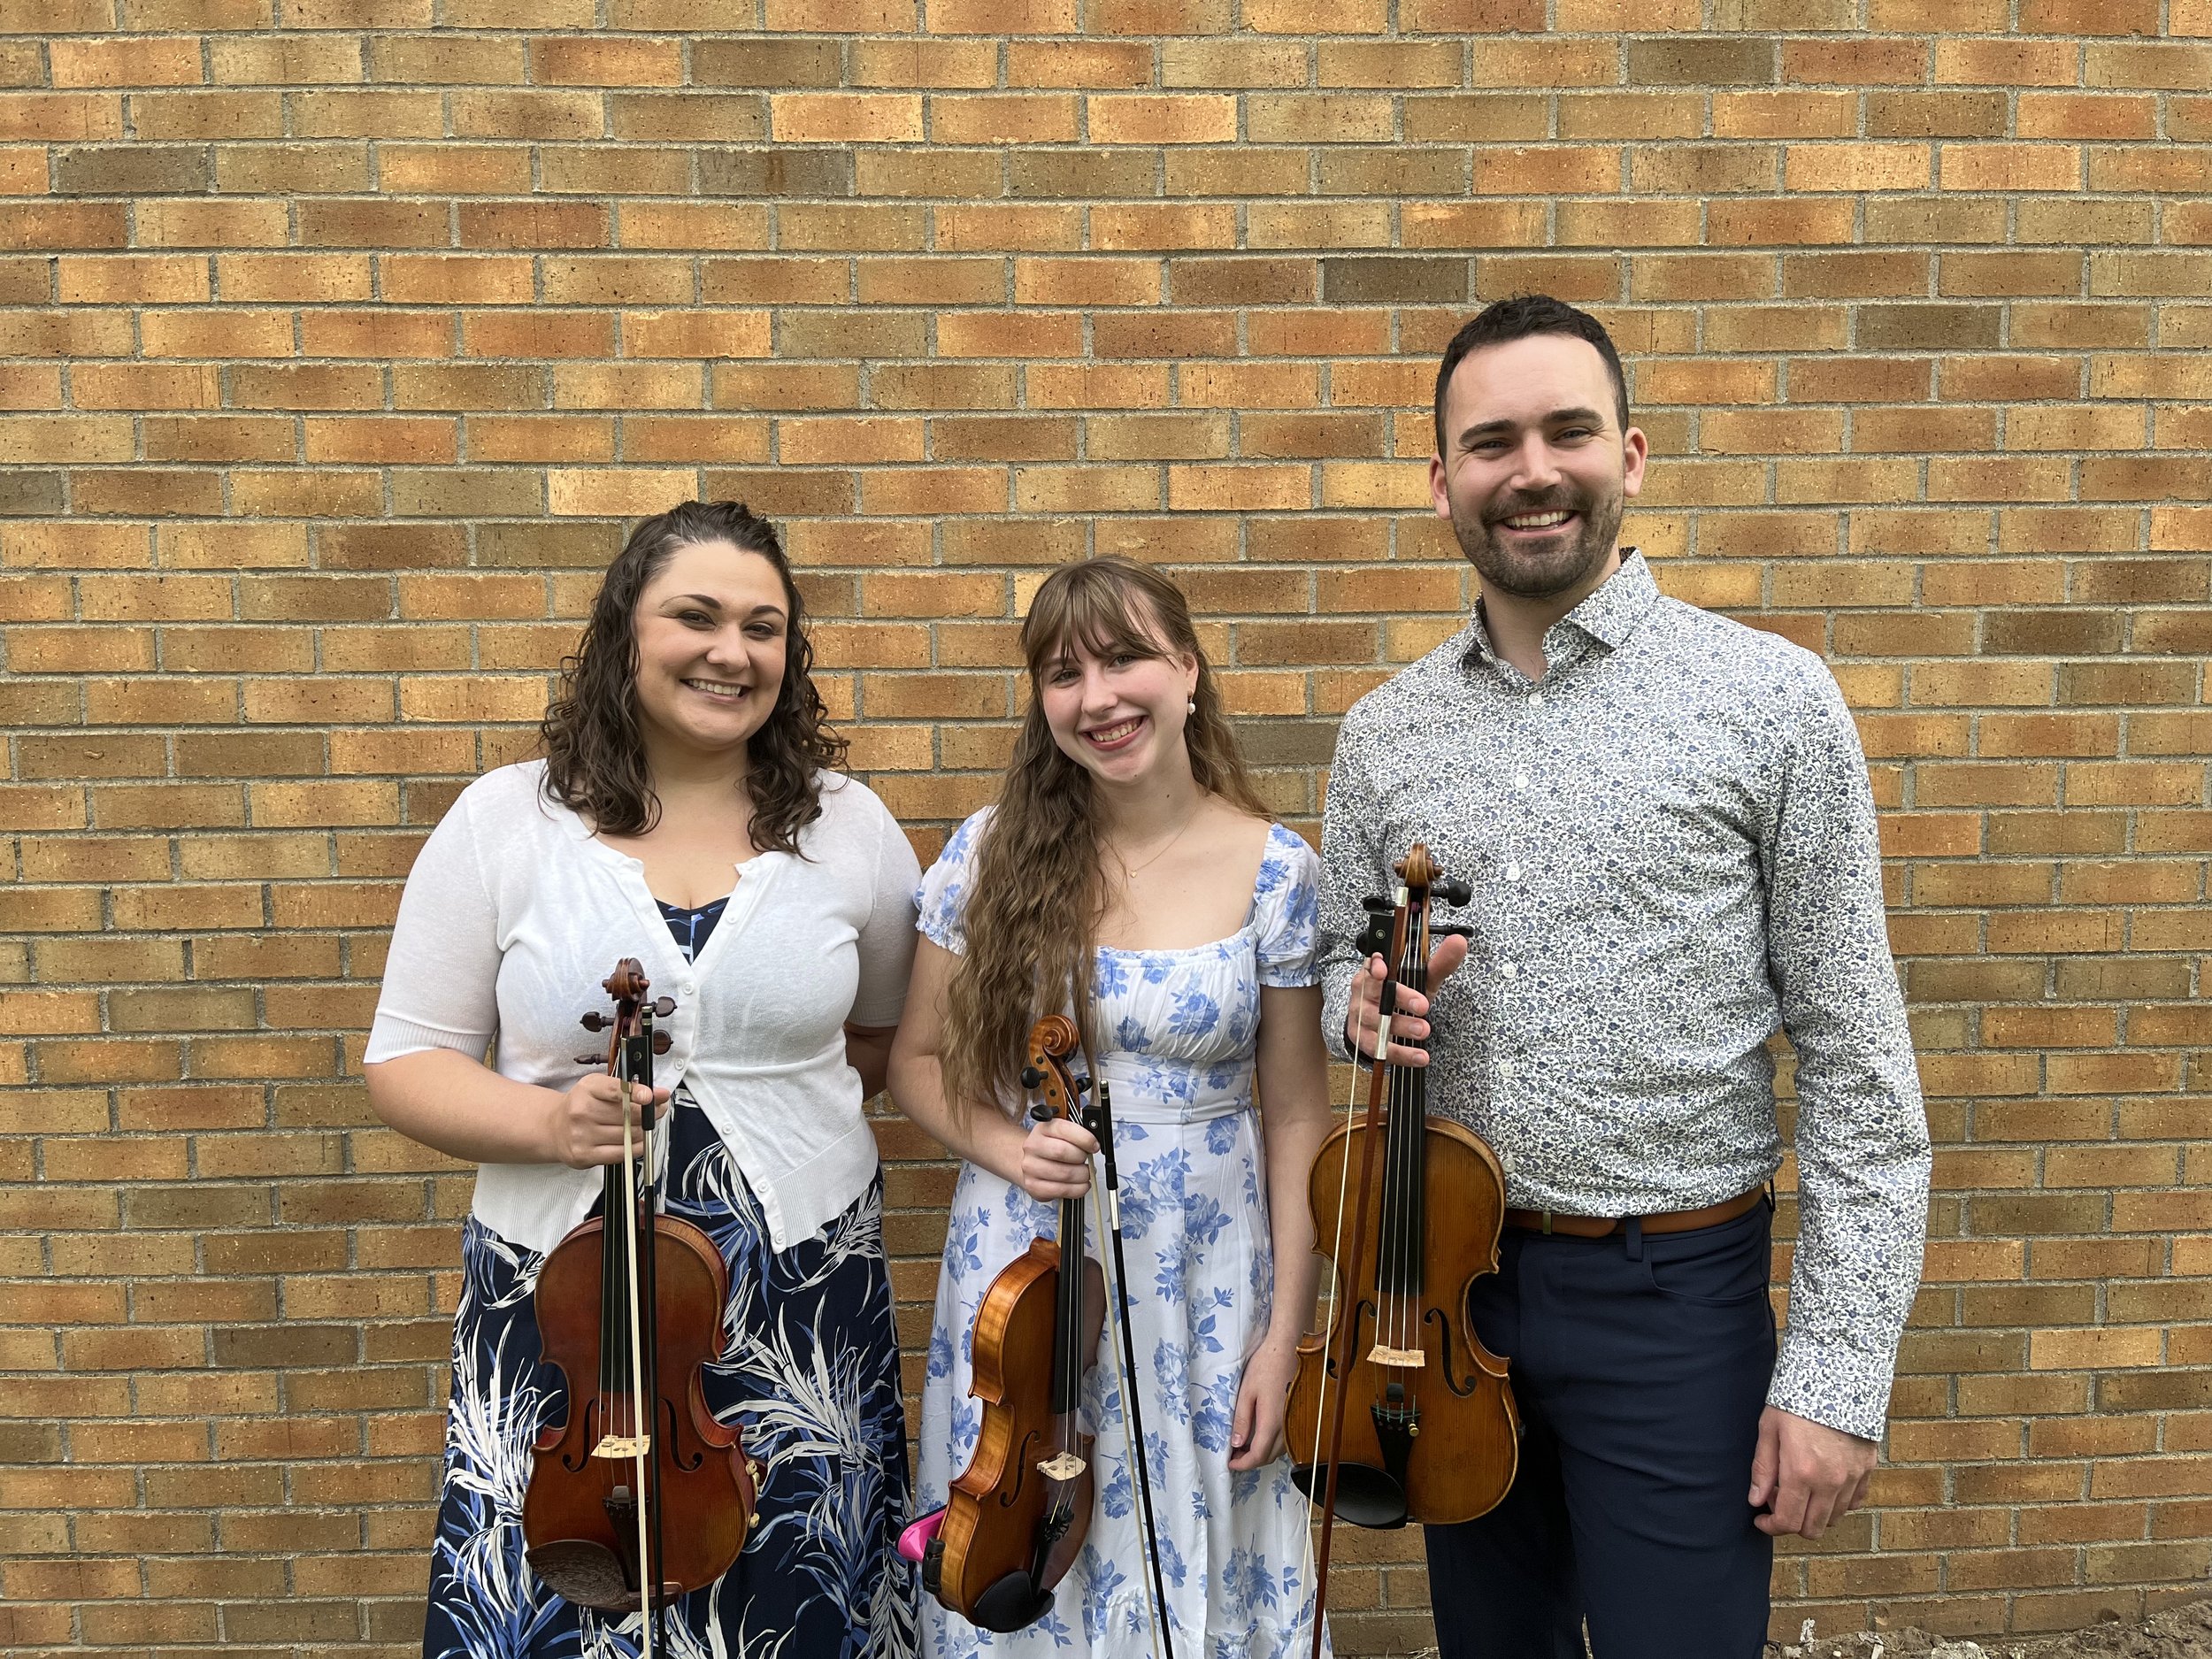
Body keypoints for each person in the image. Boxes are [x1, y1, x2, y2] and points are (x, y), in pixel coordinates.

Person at [1316, 296, 1931, 1658]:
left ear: (1631, 455)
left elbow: (1858, 1062)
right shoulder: (1384, 733)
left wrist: (1837, 1372)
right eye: (1491, 442)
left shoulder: (1769, 700)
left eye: (1568, 431)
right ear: (1441, 481)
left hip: (1675, 1297)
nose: (1531, 470)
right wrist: (1355, 1008)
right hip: (1452, 1295)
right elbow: (1330, 979)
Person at [364, 500, 922, 1659]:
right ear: (627, 630)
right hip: (566, 1307)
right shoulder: (505, 823)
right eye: (696, 617)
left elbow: (881, 1038)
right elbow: (406, 1061)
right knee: (571, 1599)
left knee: (794, 1601)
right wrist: (545, 1122)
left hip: (798, 1300)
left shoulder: (851, 829)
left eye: (763, 627)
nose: (732, 651)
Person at [890, 557, 1336, 1659]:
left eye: (1125, 658)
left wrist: (1285, 1338)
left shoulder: (1275, 869)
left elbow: (1295, 1117)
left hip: (1210, 1271)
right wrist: (1008, 1147)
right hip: (1029, 1276)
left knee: (1209, 1541)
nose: (1097, 698)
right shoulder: (990, 853)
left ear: (1186, 670)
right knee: (1027, 1535)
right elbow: (918, 1060)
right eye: (1063, 673)